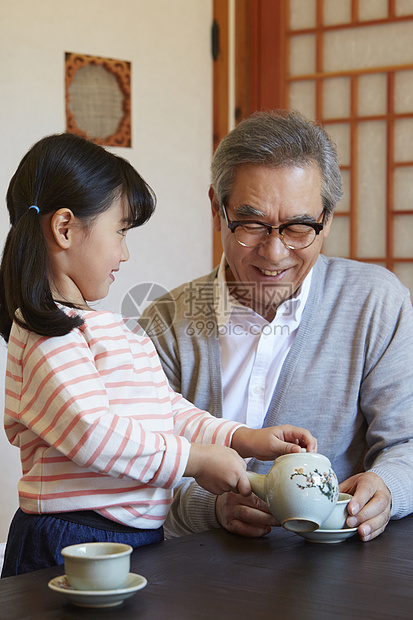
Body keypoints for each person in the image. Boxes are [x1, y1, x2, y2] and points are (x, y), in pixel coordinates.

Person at [0, 132, 317, 577]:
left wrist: (239, 438)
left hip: (138, 540)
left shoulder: (110, 328)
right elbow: (92, 432)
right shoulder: (47, 331)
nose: (125, 253)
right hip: (71, 542)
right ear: (65, 228)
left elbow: (166, 410)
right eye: (121, 232)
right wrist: (193, 461)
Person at [141, 109, 413, 543]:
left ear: (326, 220)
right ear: (216, 208)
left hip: (334, 572)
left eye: (299, 227)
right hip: (195, 576)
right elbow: (141, 464)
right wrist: (211, 507)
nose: (274, 252)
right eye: (252, 224)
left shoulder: (377, 303)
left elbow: (406, 443)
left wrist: (388, 488)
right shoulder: (166, 324)